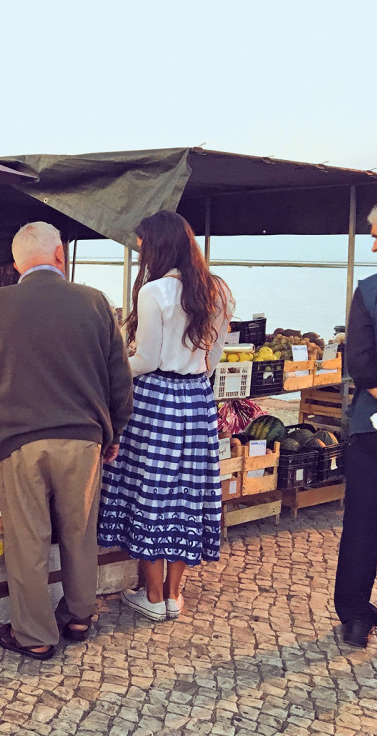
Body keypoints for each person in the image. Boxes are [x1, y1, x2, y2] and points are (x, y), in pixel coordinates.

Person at [0, 222, 133, 659]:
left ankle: (36, 635)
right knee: (80, 530)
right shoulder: (95, 302)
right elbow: (120, 378)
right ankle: (80, 614)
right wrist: (112, 431)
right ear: (59, 255)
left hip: (22, 441)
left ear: (18, 263)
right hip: (84, 440)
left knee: (29, 538)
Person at [98, 210, 234, 622]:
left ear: (156, 247)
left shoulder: (154, 291)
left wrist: (112, 368)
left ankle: (153, 596)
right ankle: (174, 594)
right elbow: (213, 359)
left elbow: (147, 359)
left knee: (149, 493)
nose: (140, 253)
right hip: (196, 401)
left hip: (156, 400)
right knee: (186, 495)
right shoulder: (219, 291)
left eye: (141, 246)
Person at [333, 197, 377, 648]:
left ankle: (355, 616)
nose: (372, 246)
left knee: (364, 525)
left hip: (375, 429)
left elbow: (363, 364)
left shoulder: (369, 290)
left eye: (374, 234)